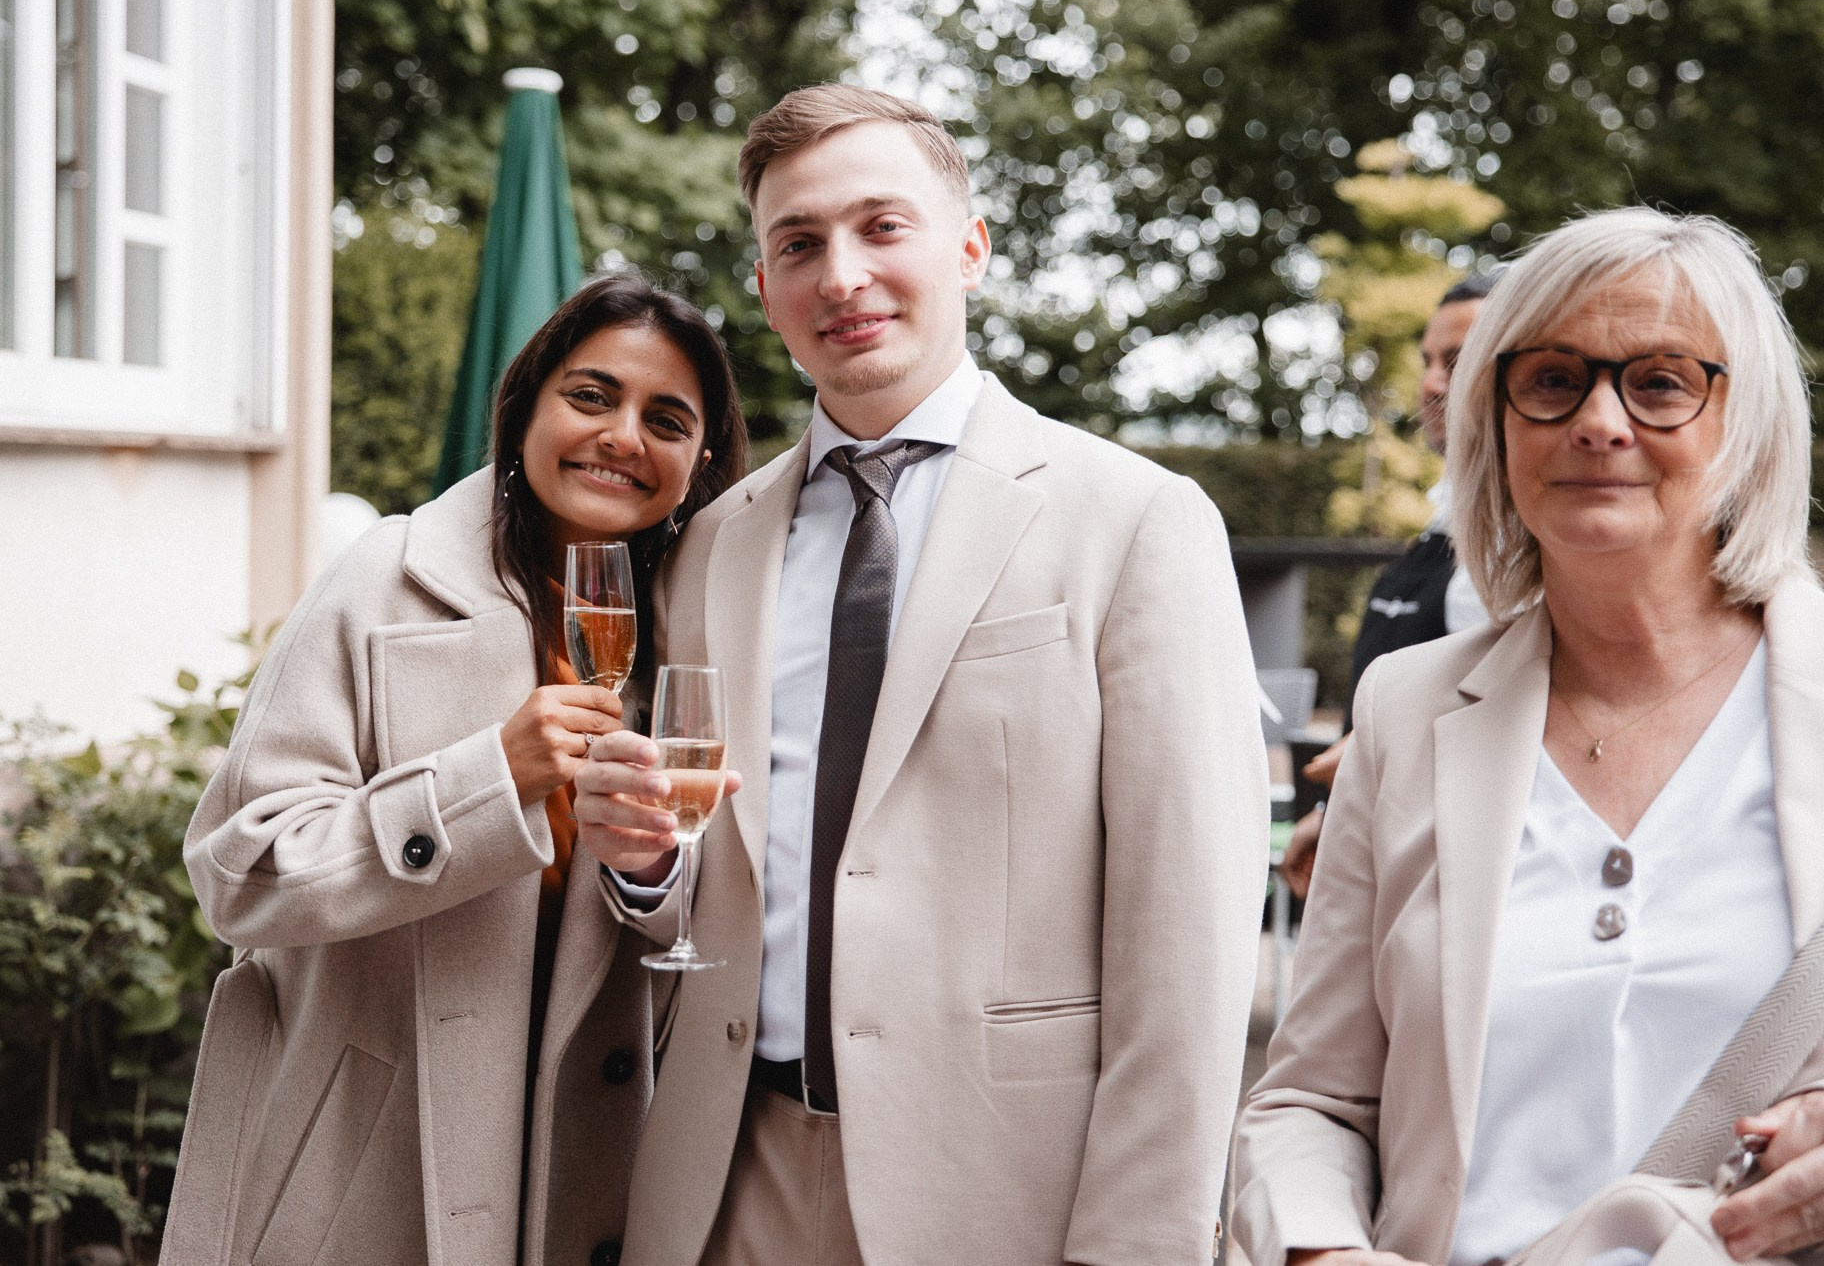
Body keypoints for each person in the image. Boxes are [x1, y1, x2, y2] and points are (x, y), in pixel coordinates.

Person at [573, 85, 1271, 1265]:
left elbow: (1187, 933)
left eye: (880, 227)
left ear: (968, 247)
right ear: (763, 289)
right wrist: (643, 872)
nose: (840, 274)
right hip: (721, 1179)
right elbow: (708, 871)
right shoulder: (707, 543)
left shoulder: (1136, 521)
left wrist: (1140, 1240)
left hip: (1009, 1195)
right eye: (797, 244)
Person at [1233, 208, 1824, 1266]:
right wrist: (1318, 1251)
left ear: (1747, 425)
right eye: (1551, 380)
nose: (1597, 420)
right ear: (1494, 423)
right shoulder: (1404, 712)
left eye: (1658, 381)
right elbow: (1309, 1103)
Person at [161, 273, 747, 1266]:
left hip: (589, 1170)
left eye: (666, 418)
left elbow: (715, 918)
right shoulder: (383, 582)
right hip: (369, 1165)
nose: (620, 435)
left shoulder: (705, 632)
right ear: (524, 410)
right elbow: (240, 878)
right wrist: (489, 777)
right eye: (591, 395)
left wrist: (647, 869)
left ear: (696, 463)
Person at [1281, 271, 1499, 897]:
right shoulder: (1446, 521)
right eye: (1429, 361)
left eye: (1457, 362)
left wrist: (1372, 760)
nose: (1430, 383)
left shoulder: (1529, 548)